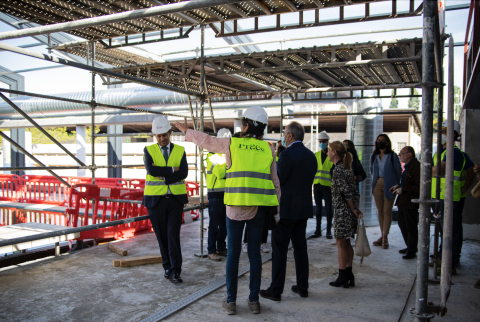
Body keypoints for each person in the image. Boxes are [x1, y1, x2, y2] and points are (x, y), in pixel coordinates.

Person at [175, 106, 280, 316]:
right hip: (258, 208)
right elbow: (275, 183)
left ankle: (231, 302)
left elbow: (207, 141)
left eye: (243, 122)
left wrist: (187, 132)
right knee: (254, 255)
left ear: (247, 125)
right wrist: (276, 212)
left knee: (233, 254)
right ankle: (254, 301)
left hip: (234, 207)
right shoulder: (269, 149)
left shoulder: (232, 143)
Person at [260, 121, 317, 300]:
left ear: (290, 136)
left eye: (285, 133)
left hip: (286, 210)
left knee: (280, 250)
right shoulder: (311, 156)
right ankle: (302, 287)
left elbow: (279, 180)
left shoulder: (286, 155)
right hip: (304, 209)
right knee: (300, 248)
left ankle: (276, 290)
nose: (283, 136)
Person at [142, 116, 188, 284]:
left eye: (164, 135)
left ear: (170, 132)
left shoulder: (180, 150)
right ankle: (167, 267)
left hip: (175, 199)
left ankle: (176, 270)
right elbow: (151, 171)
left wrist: (164, 173)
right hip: (155, 200)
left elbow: (183, 173)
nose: (161, 139)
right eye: (158, 136)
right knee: (161, 237)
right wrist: (171, 170)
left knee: (172, 236)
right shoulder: (148, 150)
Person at [431, 120, 474, 269]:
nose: (440, 134)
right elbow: (471, 168)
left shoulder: (454, 152)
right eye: (441, 131)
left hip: (450, 197)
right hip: (441, 196)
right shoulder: (441, 152)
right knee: (445, 229)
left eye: (444, 131)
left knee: (451, 230)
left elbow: (438, 170)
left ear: (453, 134)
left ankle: (450, 261)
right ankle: (444, 256)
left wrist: (465, 188)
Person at [326, 141, 362, 288]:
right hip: (348, 210)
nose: (327, 153)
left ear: (334, 152)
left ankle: (342, 275)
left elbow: (346, 192)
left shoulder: (338, 170)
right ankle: (349, 273)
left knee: (341, 243)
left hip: (342, 210)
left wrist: (352, 208)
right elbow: (354, 191)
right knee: (346, 243)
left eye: (329, 150)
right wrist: (355, 207)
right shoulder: (346, 168)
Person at [370, 134, 402, 249]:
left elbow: (398, 171)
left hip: (390, 185)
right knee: (380, 212)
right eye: (379, 140)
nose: (381, 142)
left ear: (387, 143)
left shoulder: (393, 156)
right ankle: (383, 236)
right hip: (377, 184)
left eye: (383, 140)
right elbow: (372, 171)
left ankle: (384, 237)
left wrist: (398, 185)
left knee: (387, 211)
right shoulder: (374, 156)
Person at [389, 146, 420, 259]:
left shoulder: (416, 167)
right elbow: (405, 182)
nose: (399, 155)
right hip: (403, 201)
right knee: (402, 224)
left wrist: (403, 189)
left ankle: (412, 250)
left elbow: (418, 187)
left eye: (401, 153)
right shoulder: (407, 167)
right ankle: (410, 246)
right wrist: (398, 186)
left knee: (410, 226)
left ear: (409, 154)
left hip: (410, 201)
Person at [205, 128, 231, 261]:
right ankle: (211, 250)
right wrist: (229, 167)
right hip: (215, 195)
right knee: (214, 225)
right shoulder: (212, 156)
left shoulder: (228, 155)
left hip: (226, 194)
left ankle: (221, 248)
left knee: (225, 224)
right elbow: (221, 174)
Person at [312, 131, 334, 239]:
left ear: (328, 142)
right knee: (318, 209)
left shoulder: (332, 154)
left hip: (328, 185)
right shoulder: (316, 155)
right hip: (317, 185)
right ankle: (317, 230)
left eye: (323, 141)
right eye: (320, 141)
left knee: (329, 208)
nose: (322, 143)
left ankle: (329, 231)